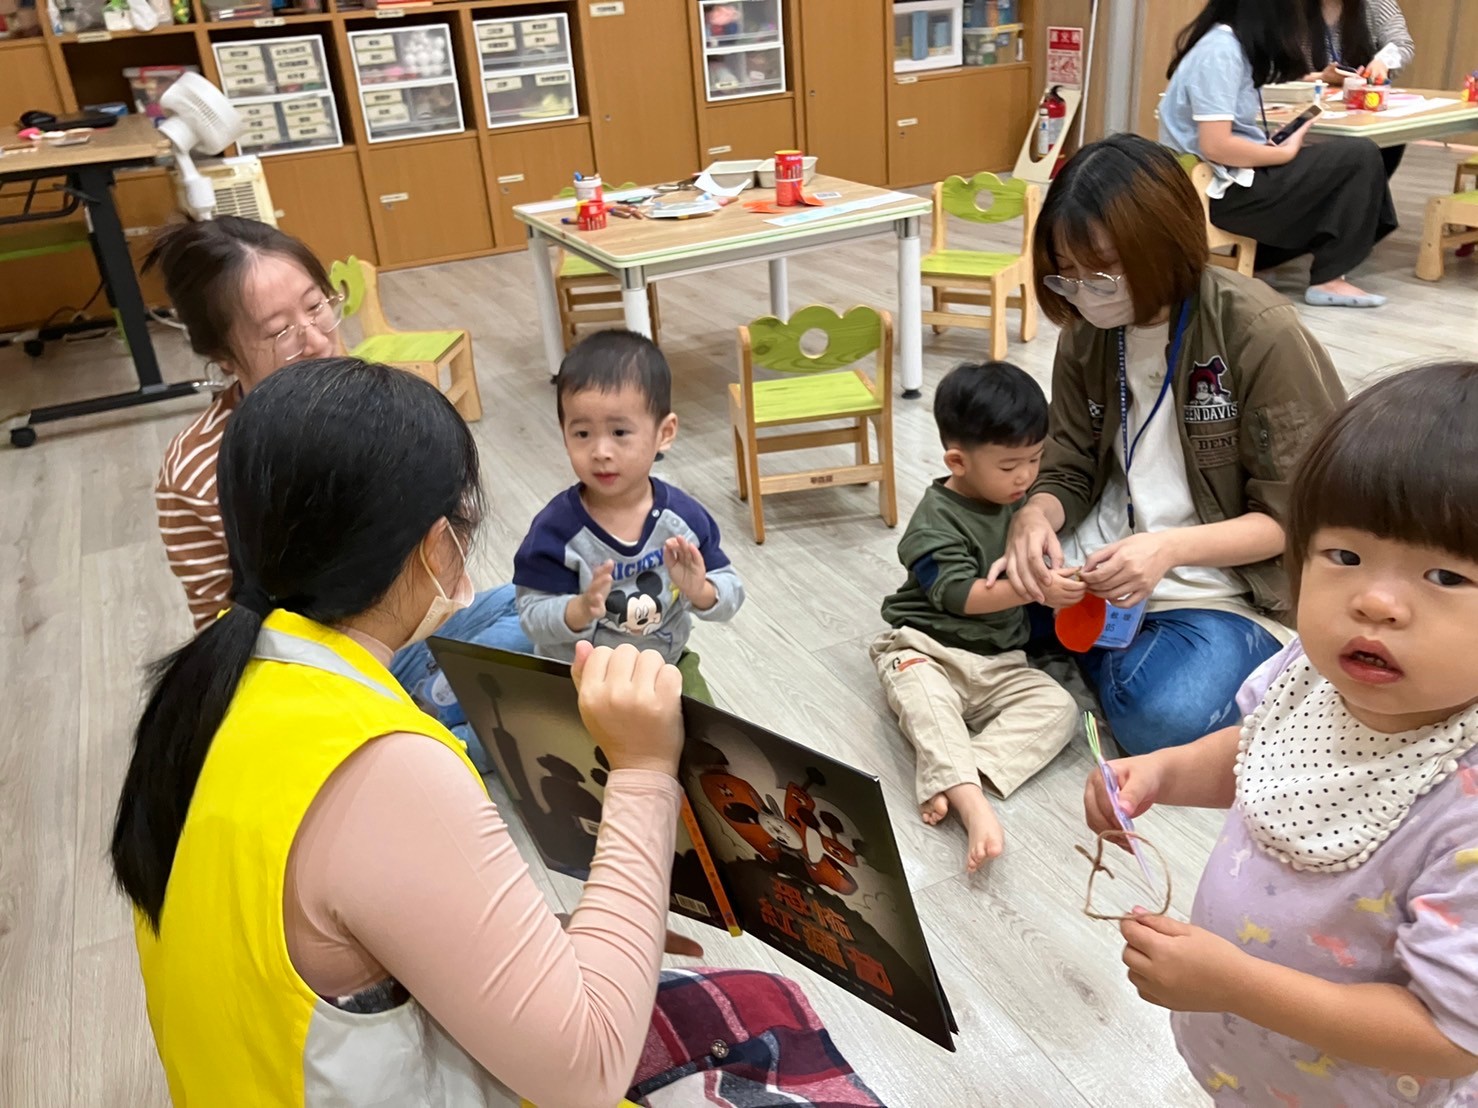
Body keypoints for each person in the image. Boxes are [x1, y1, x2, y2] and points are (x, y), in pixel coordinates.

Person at [113, 357, 880, 1107]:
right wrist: (645, 769)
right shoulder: (383, 764)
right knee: (769, 1009)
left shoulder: (212, 676)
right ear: (437, 547)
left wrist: (539, 937)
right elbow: (585, 1076)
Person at [1086, 362, 1478, 1105]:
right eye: (1346, 556)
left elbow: (1450, 1036)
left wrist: (1234, 984)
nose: (1375, 602)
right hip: (1254, 1064)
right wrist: (1164, 773)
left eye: (1447, 577)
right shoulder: (1313, 674)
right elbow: (1263, 751)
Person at [991, 134, 1347, 755]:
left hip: (1223, 582)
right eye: (1067, 274)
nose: (1083, 290)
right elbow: (1069, 467)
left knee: (1164, 717)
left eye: (1101, 271)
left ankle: (1086, 652)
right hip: (1103, 566)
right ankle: (1100, 647)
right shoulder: (1087, 334)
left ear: (1162, 241)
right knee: (967, 582)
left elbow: (1303, 519)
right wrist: (1033, 519)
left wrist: (1168, 548)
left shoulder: (1258, 331)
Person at [147, 217, 529, 769]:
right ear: (224, 359)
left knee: (544, 602)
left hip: (404, 633)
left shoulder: (371, 401)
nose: (316, 338)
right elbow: (225, 628)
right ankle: (430, 739)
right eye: (278, 330)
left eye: (317, 305)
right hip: (319, 670)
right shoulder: (201, 468)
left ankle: (433, 715)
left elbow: (438, 556)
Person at [871, 362, 1082, 871]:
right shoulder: (934, 519)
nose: (1026, 476)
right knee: (924, 698)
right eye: (1011, 465)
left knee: (1060, 709)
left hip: (1001, 661)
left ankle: (966, 772)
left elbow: (1039, 558)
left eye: (1035, 458)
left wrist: (1068, 578)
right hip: (928, 649)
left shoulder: (1023, 503)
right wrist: (1033, 587)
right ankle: (971, 802)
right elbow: (958, 596)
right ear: (957, 461)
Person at [513, 330, 744, 703]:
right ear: (564, 434)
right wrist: (578, 609)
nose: (601, 451)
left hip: (664, 665)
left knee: (709, 743)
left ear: (664, 433)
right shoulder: (556, 530)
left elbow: (731, 593)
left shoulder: (682, 518)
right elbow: (531, 616)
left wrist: (699, 590)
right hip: (579, 675)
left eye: (620, 432)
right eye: (582, 433)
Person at [1159, 0, 1397, 308]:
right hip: (1220, 191)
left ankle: (1270, 258)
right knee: (1359, 156)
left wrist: (1271, 146)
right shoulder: (1221, 52)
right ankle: (1329, 278)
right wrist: (1282, 155)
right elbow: (1215, 146)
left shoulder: (1225, 45)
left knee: (1348, 159)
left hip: (1225, 180)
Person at [1302, 0, 1415, 177]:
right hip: (1306, 107)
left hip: (1361, 106)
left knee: (1389, 135)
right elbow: (1269, 70)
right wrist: (1320, 77)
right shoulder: (1290, 8)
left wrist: (1382, 62)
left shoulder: (1376, 4)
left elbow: (1401, 44)